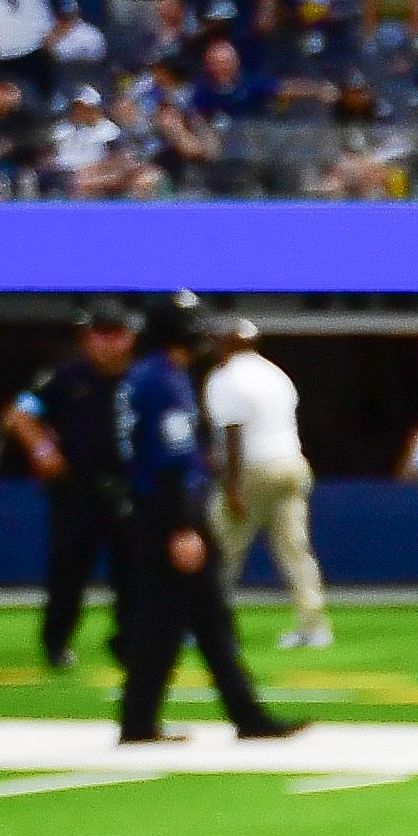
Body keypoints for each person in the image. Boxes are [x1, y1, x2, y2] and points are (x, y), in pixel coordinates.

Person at [85, 297, 306, 749]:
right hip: (170, 513)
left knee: (207, 619)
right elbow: (170, 460)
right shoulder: (164, 380)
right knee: (165, 623)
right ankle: (144, 720)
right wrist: (183, 527)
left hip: (157, 509)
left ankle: (243, 714)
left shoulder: (144, 376)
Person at [0, 314, 134, 679]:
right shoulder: (65, 376)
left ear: (129, 338)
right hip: (76, 492)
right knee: (68, 572)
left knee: (132, 572)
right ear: (88, 339)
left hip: (127, 490)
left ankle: (128, 641)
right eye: (100, 334)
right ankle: (56, 643)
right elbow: (19, 414)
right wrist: (42, 449)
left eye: (115, 334)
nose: (108, 343)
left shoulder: (138, 378)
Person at [197, 309, 327, 653]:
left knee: (220, 551)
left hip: (252, 470)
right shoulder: (276, 374)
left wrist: (231, 486)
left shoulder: (225, 377)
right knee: (295, 551)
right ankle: (313, 627)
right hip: (291, 465)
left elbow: (233, 436)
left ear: (227, 342)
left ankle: (208, 625)